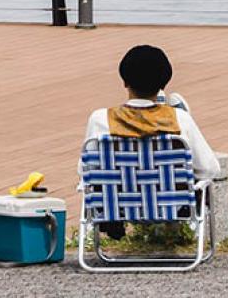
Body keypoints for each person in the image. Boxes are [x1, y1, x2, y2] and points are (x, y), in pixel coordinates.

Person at [82, 45, 219, 235]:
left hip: (115, 207)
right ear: (163, 85)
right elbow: (209, 168)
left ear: (124, 81)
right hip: (172, 205)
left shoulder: (100, 119)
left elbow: (85, 170)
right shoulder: (179, 120)